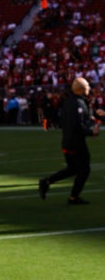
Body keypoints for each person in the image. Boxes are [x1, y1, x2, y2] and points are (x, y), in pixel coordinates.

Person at [38, 77, 100, 205]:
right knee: (84, 170)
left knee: (72, 169)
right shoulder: (78, 103)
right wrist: (91, 131)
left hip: (67, 140)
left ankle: (47, 182)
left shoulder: (69, 101)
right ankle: (73, 197)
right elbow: (77, 125)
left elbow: (73, 122)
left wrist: (91, 120)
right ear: (82, 89)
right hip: (76, 143)